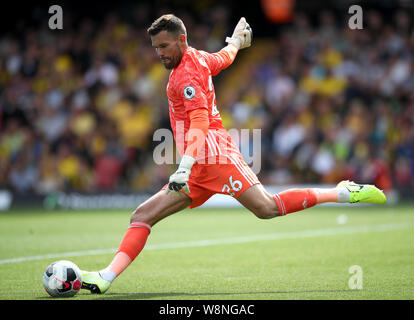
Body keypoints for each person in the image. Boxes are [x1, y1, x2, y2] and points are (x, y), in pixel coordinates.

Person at [80, 15, 386, 294]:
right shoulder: (198, 57)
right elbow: (223, 59)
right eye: (155, 47)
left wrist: (183, 167)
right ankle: (105, 277)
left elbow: (200, 121)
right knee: (143, 215)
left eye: (163, 45)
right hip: (197, 162)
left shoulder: (185, 75)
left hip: (214, 154)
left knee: (267, 208)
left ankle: (341, 193)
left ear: (181, 40)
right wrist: (236, 41)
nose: (159, 53)